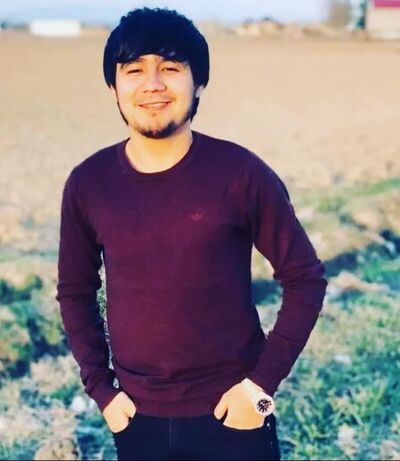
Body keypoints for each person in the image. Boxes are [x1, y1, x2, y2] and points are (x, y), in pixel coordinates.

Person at [56, 7, 327, 461]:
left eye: (170, 68)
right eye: (134, 70)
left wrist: (261, 389)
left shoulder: (241, 173)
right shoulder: (89, 183)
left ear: (198, 82)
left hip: (234, 412)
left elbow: (305, 278)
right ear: (114, 88)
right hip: (136, 417)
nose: (153, 84)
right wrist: (102, 391)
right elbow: (75, 290)